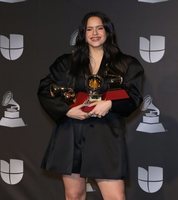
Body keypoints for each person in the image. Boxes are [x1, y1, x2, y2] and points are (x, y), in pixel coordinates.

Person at [38, 11, 144, 200]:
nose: (94, 33)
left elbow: (134, 97)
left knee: (115, 197)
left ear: (108, 31)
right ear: (83, 33)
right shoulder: (67, 63)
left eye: (99, 28)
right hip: (72, 133)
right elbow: (45, 89)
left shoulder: (126, 64)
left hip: (106, 134)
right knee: (74, 195)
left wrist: (110, 104)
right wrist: (68, 111)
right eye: (89, 29)